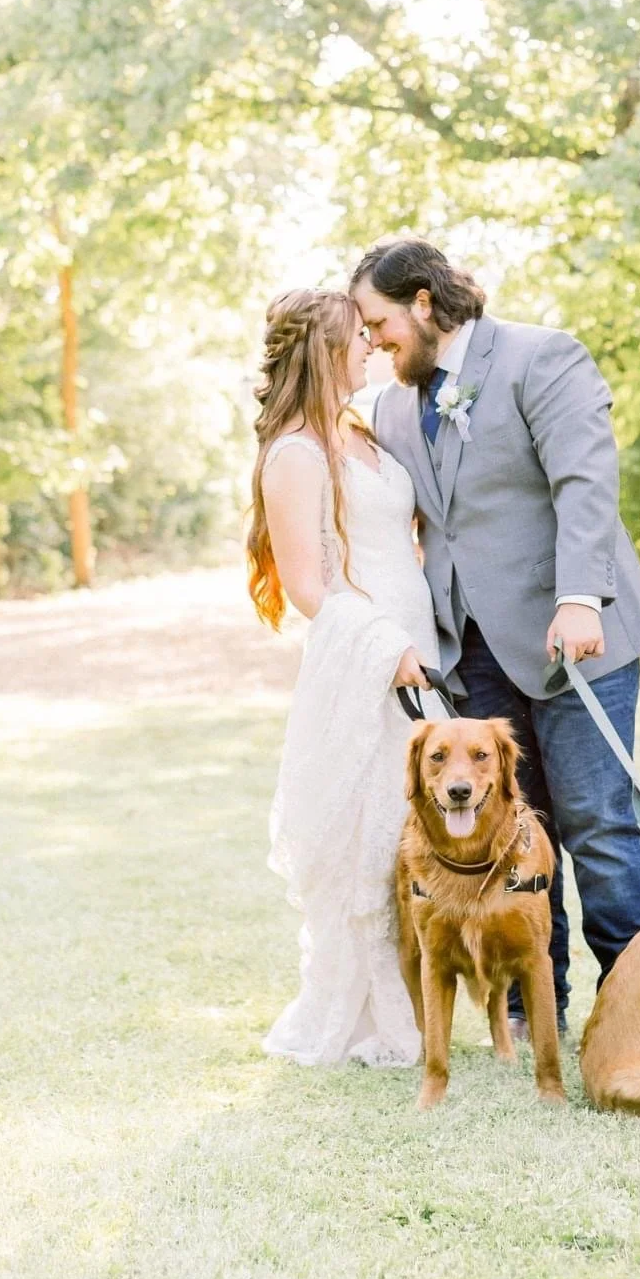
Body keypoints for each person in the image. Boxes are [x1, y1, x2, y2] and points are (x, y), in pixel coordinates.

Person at [351, 236, 640, 1032]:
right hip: (471, 653)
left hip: (574, 636)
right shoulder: (392, 407)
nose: (373, 341)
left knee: (596, 823)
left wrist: (581, 597)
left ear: (424, 301)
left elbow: (585, 482)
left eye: (379, 322)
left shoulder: (542, 357)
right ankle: (533, 1009)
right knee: (514, 830)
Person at [246, 287, 435, 1067]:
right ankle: (369, 1016)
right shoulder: (294, 453)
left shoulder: (359, 430)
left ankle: (425, 999)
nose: (372, 346)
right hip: (367, 660)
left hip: (418, 652)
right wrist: (384, 647)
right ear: (326, 350)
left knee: (412, 832)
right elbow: (307, 587)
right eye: (359, 336)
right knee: (369, 838)